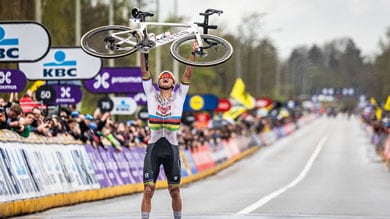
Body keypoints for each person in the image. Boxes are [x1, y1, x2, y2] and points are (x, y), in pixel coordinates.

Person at [140, 41, 196, 219]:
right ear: (158, 82)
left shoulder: (180, 95)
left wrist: (193, 51)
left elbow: (188, 72)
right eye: (162, 76)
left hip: (171, 147)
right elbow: (144, 71)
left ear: (173, 83)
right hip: (154, 147)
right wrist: (143, 51)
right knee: (148, 190)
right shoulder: (151, 94)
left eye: (169, 76)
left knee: (175, 191)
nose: (165, 76)